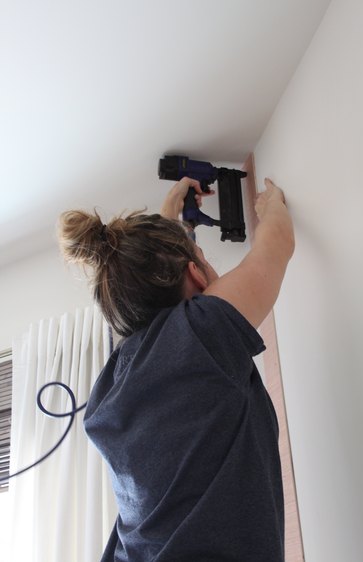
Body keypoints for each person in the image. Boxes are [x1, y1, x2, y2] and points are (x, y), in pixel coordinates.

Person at [58, 176, 294, 562]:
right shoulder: (204, 333)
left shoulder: (116, 378)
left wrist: (172, 221)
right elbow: (276, 245)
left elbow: (159, 296)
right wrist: (270, 206)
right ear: (198, 275)